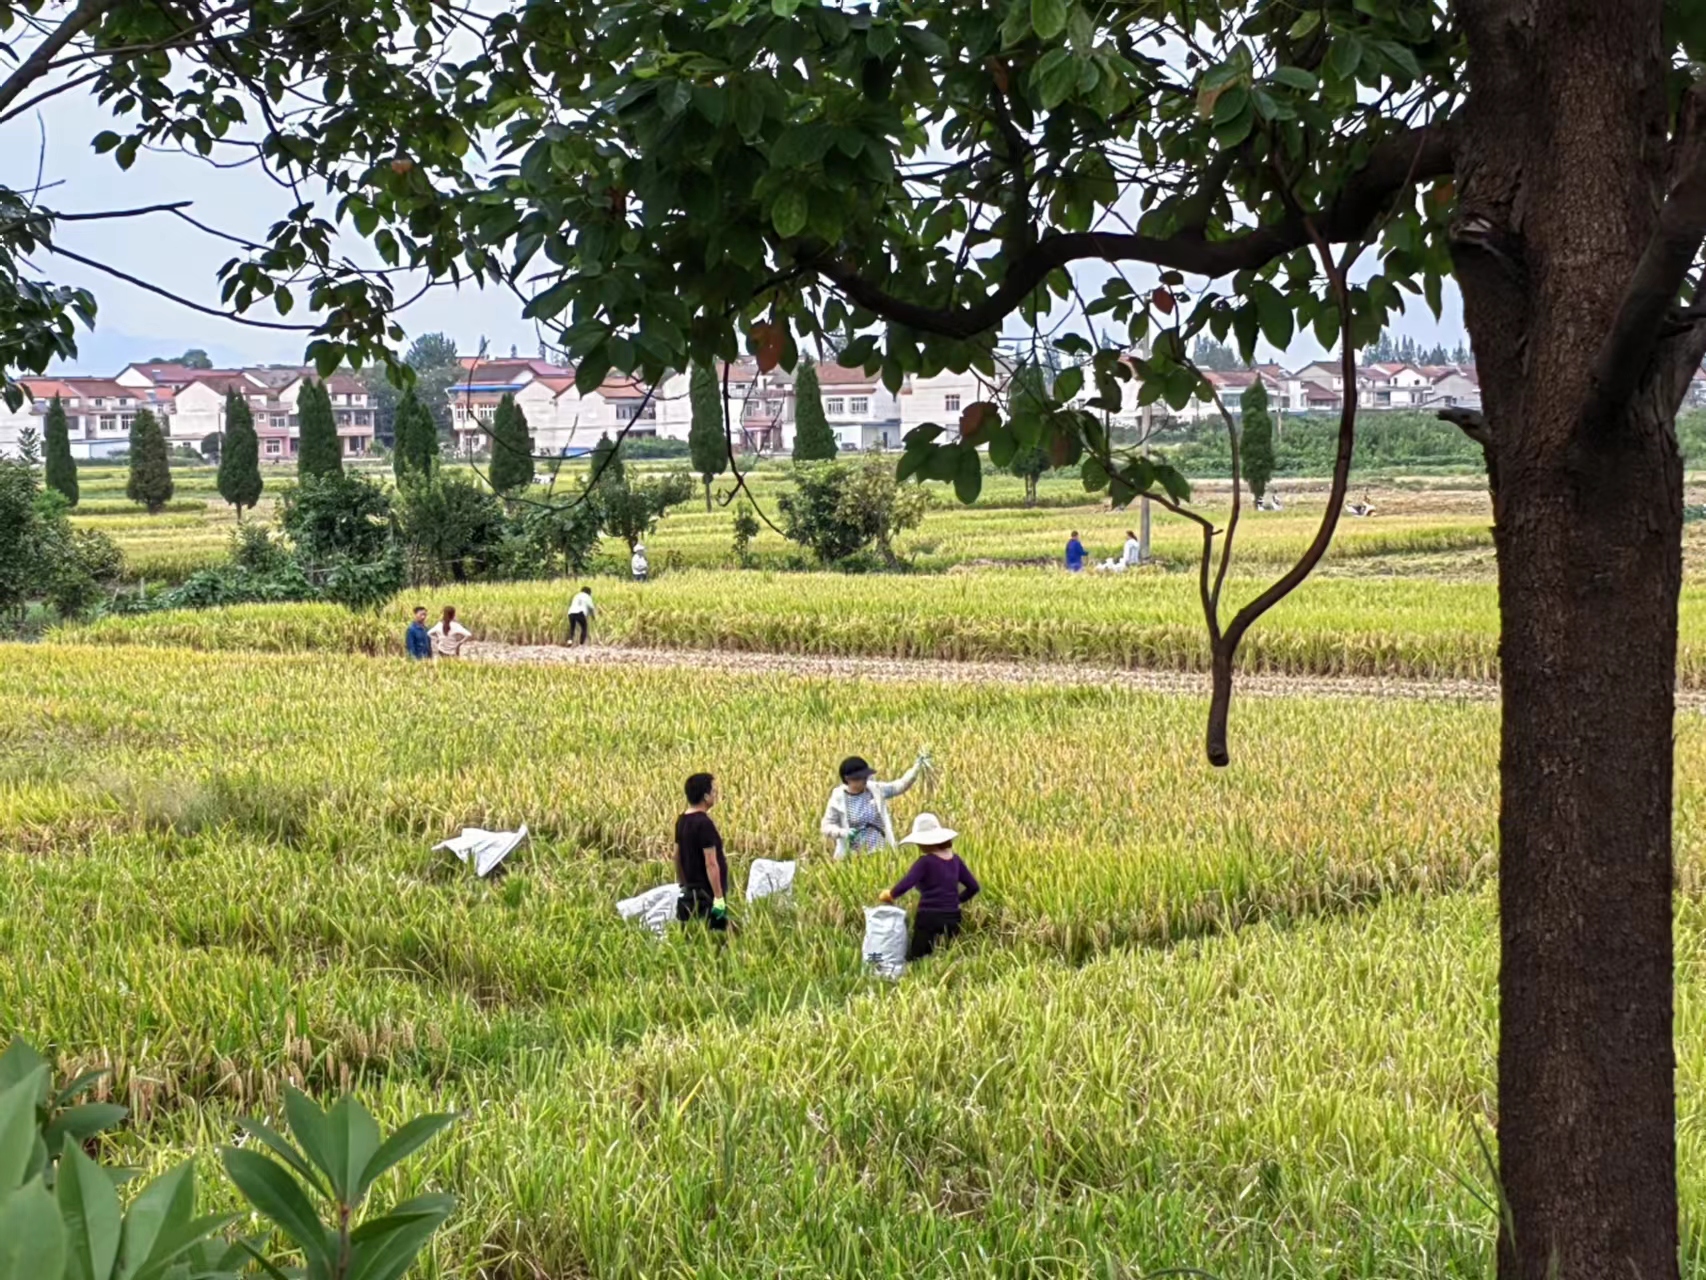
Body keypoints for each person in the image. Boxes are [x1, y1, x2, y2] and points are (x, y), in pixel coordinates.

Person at [878, 812, 980, 961]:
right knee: (948, 956)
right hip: (953, 917)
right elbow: (974, 887)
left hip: (929, 916)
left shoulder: (925, 862)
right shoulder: (956, 861)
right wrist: (956, 901)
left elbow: (907, 882)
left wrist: (890, 894)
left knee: (918, 958)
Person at [820, 752, 928, 860]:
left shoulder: (876, 789)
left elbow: (900, 786)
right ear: (848, 779)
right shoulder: (838, 798)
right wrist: (843, 833)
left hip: (882, 854)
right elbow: (826, 826)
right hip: (854, 858)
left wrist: (916, 769)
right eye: (860, 778)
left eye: (865, 777)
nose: (864, 780)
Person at [675, 772, 729, 930]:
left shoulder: (682, 821)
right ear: (705, 796)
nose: (715, 794)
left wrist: (683, 883)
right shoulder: (704, 824)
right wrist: (718, 897)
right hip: (707, 891)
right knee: (723, 931)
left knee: (695, 932)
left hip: (691, 890)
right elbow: (711, 863)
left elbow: (676, 856)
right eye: (713, 791)